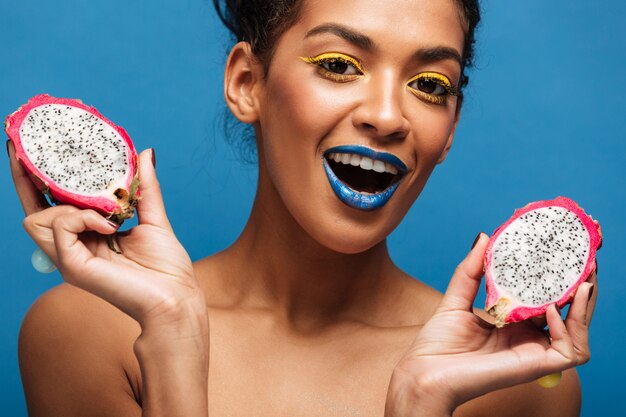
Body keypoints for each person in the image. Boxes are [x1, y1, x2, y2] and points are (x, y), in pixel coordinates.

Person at [10, 0, 596, 416]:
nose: (388, 116)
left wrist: (421, 403)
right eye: (340, 66)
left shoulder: (512, 384)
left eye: (429, 84)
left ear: (451, 129)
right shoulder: (88, 335)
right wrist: (174, 339)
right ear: (246, 83)